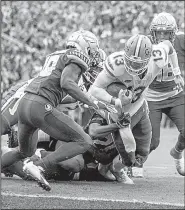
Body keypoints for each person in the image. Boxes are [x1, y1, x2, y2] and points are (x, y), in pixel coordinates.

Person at [1, 29, 109, 191]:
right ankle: (38, 165)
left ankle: (23, 162)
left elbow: (59, 88)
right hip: (38, 104)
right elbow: (67, 83)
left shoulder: (56, 55)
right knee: (84, 141)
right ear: (84, 46)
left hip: (27, 102)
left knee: (24, 151)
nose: (92, 56)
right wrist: (93, 102)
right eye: (91, 50)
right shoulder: (76, 58)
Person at [89, 33, 183, 178]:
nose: (132, 66)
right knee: (128, 156)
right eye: (130, 61)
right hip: (120, 110)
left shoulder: (157, 58)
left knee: (144, 151)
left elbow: (169, 45)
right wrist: (116, 101)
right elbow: (94, 90)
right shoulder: (117, 64)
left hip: (139, 105)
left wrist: (176, 73)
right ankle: (112, 167)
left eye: (137, 64)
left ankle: (113, 167)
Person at [145, 12, 185, 176]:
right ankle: (131, 163)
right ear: (153, 32)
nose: (162, 36)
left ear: (173, 32)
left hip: (175, 95)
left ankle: (177, 152)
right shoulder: (144, 44)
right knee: (152, 142)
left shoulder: (181, 40)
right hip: (152, 98)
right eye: (159, 32)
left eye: (166, 32)